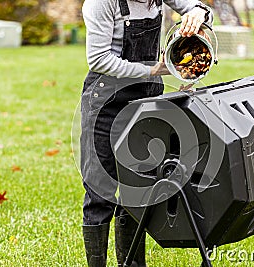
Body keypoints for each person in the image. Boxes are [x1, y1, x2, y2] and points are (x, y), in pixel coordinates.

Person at [81, 0, 213, 266]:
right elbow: (98, 59)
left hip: (145, 102)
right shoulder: (101, 3)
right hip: (105, 104)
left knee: (137, 193)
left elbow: (198, 8)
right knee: (100, 193)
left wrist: (199, 13)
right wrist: (151, 70)